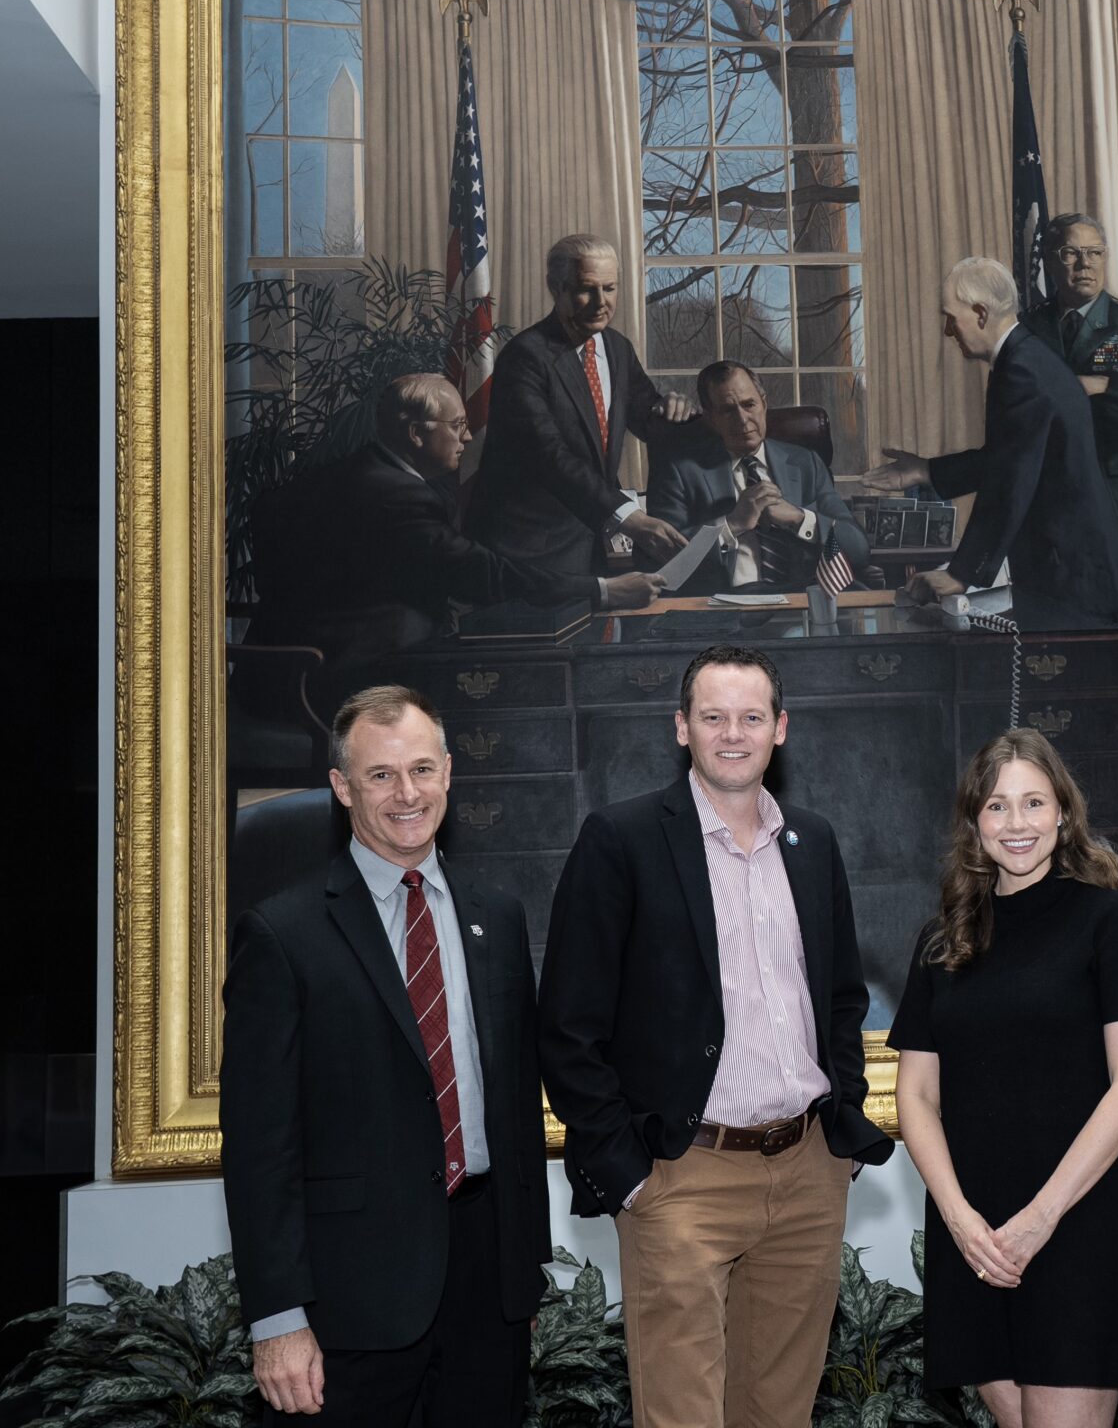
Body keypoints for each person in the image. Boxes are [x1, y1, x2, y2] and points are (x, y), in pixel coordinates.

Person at [537, 644, 895, 1428]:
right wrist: (633, 1176)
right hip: (682, 1180)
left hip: (805, 1174)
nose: (733, 734)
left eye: (751, 717)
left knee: (780, 1415)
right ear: (681, 728)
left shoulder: (814, 839)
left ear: (780, 729)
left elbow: (840, 999)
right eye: (713, 717)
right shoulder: (621, 840)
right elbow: (567, 1026)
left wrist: (838, 1128)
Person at [220, 685, 549, 1425]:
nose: (408, 793)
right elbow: (258, 1147)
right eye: (381, 775)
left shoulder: (494, 916)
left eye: (423, 770)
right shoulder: (282, 935)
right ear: (341, 787)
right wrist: (278, 1320)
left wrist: (522, 1276)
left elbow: (515, 1110)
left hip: (484, 1288)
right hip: (350, 1300)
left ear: (449, 774)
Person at [890, 728, 1118, 1426]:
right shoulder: (943, 935)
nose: (1015, 824)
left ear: (1064, 815)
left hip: (1075, 1225)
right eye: (996, 806)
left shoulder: (1107, 921)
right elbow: (916, 1095)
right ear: (974, 822)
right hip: (976, 1235)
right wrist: (960, 1221)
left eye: (1033, 804)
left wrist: (1039, 1220)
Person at [246, 372, 661, 678]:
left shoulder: (353, 473)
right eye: (457, 426)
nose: (466, 439)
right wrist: (603, 590)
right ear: (415, 434)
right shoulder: (396, 495)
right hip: (337, 675)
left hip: (279, 663)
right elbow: (479, 572)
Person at [863, 256, 1118, 632]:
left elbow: (1010, 480)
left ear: (981, 313)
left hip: (1072, 580)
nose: (947, 330)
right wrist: (925, 470)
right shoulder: (1025, 357)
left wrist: (961, 574)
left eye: (951, 317)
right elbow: (1011, 456)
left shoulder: (1021, 370)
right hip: (1072, 571)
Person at [1022, 213, 1118, 808]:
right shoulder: (1028, 329)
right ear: (1049, 262)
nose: (1083, 263)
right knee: (1056, 649)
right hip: (1046, 514)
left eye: (1093, 252)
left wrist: (1065, 394)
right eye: (1069, 253)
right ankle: (1066, 768)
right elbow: (1018, 413)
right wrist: (1086, 387)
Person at [466, 232, 697, 574]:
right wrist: (629, 518)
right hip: (527, 548)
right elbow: (549, 456)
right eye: (586, 288)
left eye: (610, 288)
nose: (601, 301)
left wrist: (675, 410)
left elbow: (646, 416)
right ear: (555, 288)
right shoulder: (525, 357)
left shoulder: (617, 348)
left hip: (589, 545)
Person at [645, 360, 870, 594]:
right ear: (711, 418)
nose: (742, 419)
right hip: (725, 607)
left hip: (801, 601)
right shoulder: (680, 472)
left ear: (764, 403)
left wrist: (799, 518)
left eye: (749, 404)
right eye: (727, 410)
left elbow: (858, 548)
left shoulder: (806, 464)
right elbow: (663, 563)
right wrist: (732, 525)